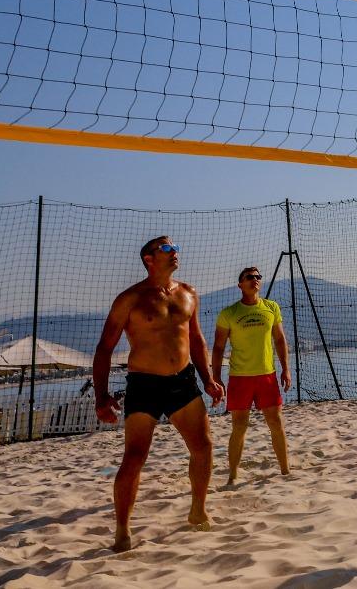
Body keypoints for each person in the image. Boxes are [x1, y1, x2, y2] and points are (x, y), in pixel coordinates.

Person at [92, 236, 224, 552]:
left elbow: (196, 341)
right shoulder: (130, 299)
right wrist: (101, 396)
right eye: (166, 249)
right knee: (135, 458)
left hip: (183, 381)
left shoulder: (189, 293)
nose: (174, 251)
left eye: (175, 246)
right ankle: (122, 531)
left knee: (203, 447)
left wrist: (208, 378)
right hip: (144, 383)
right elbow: (104, 348)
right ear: (149, 259)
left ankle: (198, 509)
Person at [212, 265, 291, 486]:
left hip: (267, 375)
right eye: (249, 277)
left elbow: (280, 340)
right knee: (239, 426)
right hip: (240, 377)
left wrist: (285, 369)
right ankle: (233, 475)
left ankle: (285, 471)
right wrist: (216, 378)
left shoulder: (271, 307)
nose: (254, 280)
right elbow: (218, 348)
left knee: (276, 422)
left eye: (257, 277)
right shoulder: (229, 313)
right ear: (240, 284)